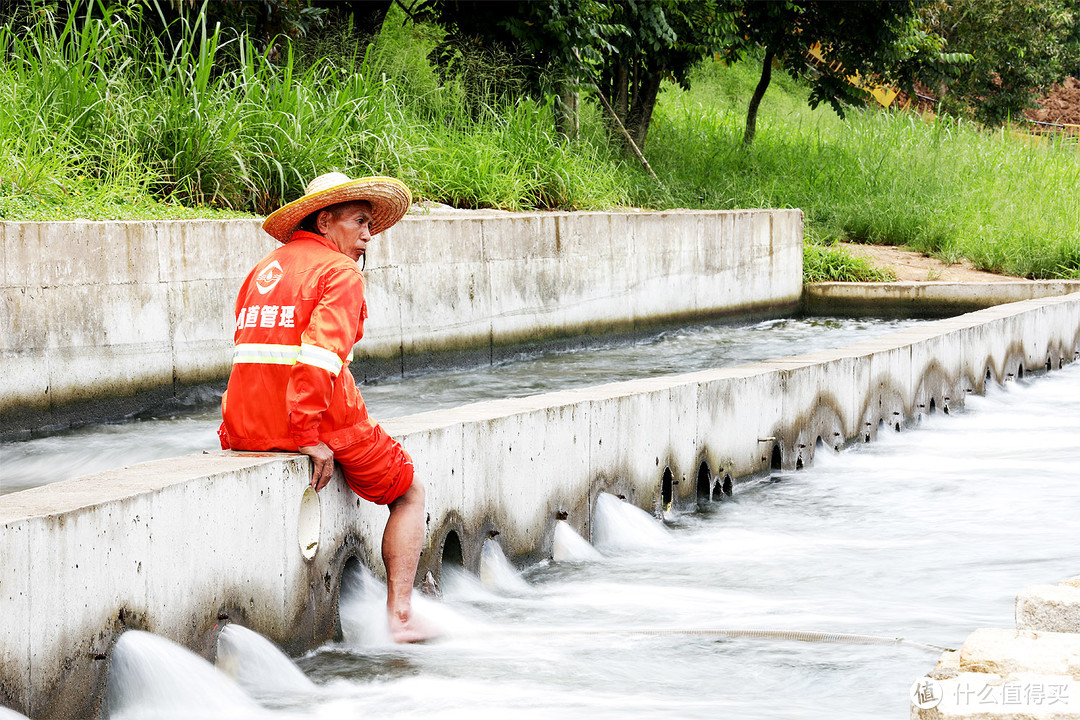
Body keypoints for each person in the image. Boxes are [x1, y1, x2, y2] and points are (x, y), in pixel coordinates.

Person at [218, 172, 432, 643]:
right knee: (410, 490)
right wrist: (307, 437)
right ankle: (400, 615)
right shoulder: (339, 273)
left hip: (243, 427)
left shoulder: (263, 270)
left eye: (370, 225)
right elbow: (319, 360)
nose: (367, 236)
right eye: (359, 222)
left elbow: (247, 356)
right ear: (324, 219)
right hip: (314, 422)